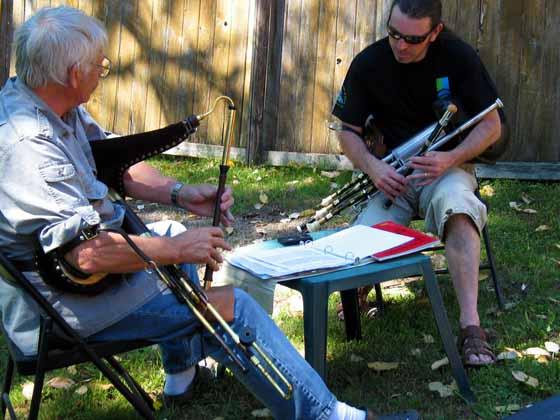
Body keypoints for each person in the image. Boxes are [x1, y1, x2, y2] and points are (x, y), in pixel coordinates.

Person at [0, 6, 419, 420]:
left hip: (78, 285)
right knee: (233, 305)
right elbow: (85, 255)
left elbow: (112, 163)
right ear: (74, 74)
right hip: (59, 309)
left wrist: (182, 194)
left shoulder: (48, 100)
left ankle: (181, 378)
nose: (102, 72)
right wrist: (178, 249)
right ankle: (330, 416)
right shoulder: (27, 147)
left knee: (169, 231)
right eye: (100, 66)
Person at [332, 0, 503, 367]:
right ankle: (358, 290)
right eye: (393, 34)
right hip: (390, 177)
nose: (400, 45)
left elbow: (493, 126)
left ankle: (471, 327)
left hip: (445, 171)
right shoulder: (369, 62)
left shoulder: (459, 56)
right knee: (361, 239)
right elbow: (346, 131)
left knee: (459, 209)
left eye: (412, 39)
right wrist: (373, 168)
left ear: (435, 32)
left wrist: (450, 158)